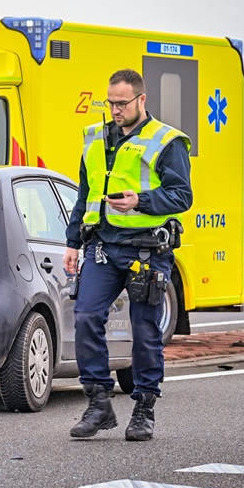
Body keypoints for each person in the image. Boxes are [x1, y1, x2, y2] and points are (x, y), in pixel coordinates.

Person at [63, 69, 192, 441]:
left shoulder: (166, 141)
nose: (115, 110)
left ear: (141, 100)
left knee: (145, 329)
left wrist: (141, 201)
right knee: (86, 317)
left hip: (147, 250)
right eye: (111, 103)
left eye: (122, 103)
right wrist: (72, 242)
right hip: (102, 246)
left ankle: (144, 409)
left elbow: (182, 196)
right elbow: (85, 194)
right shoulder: (95, 138)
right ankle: (98, 403)